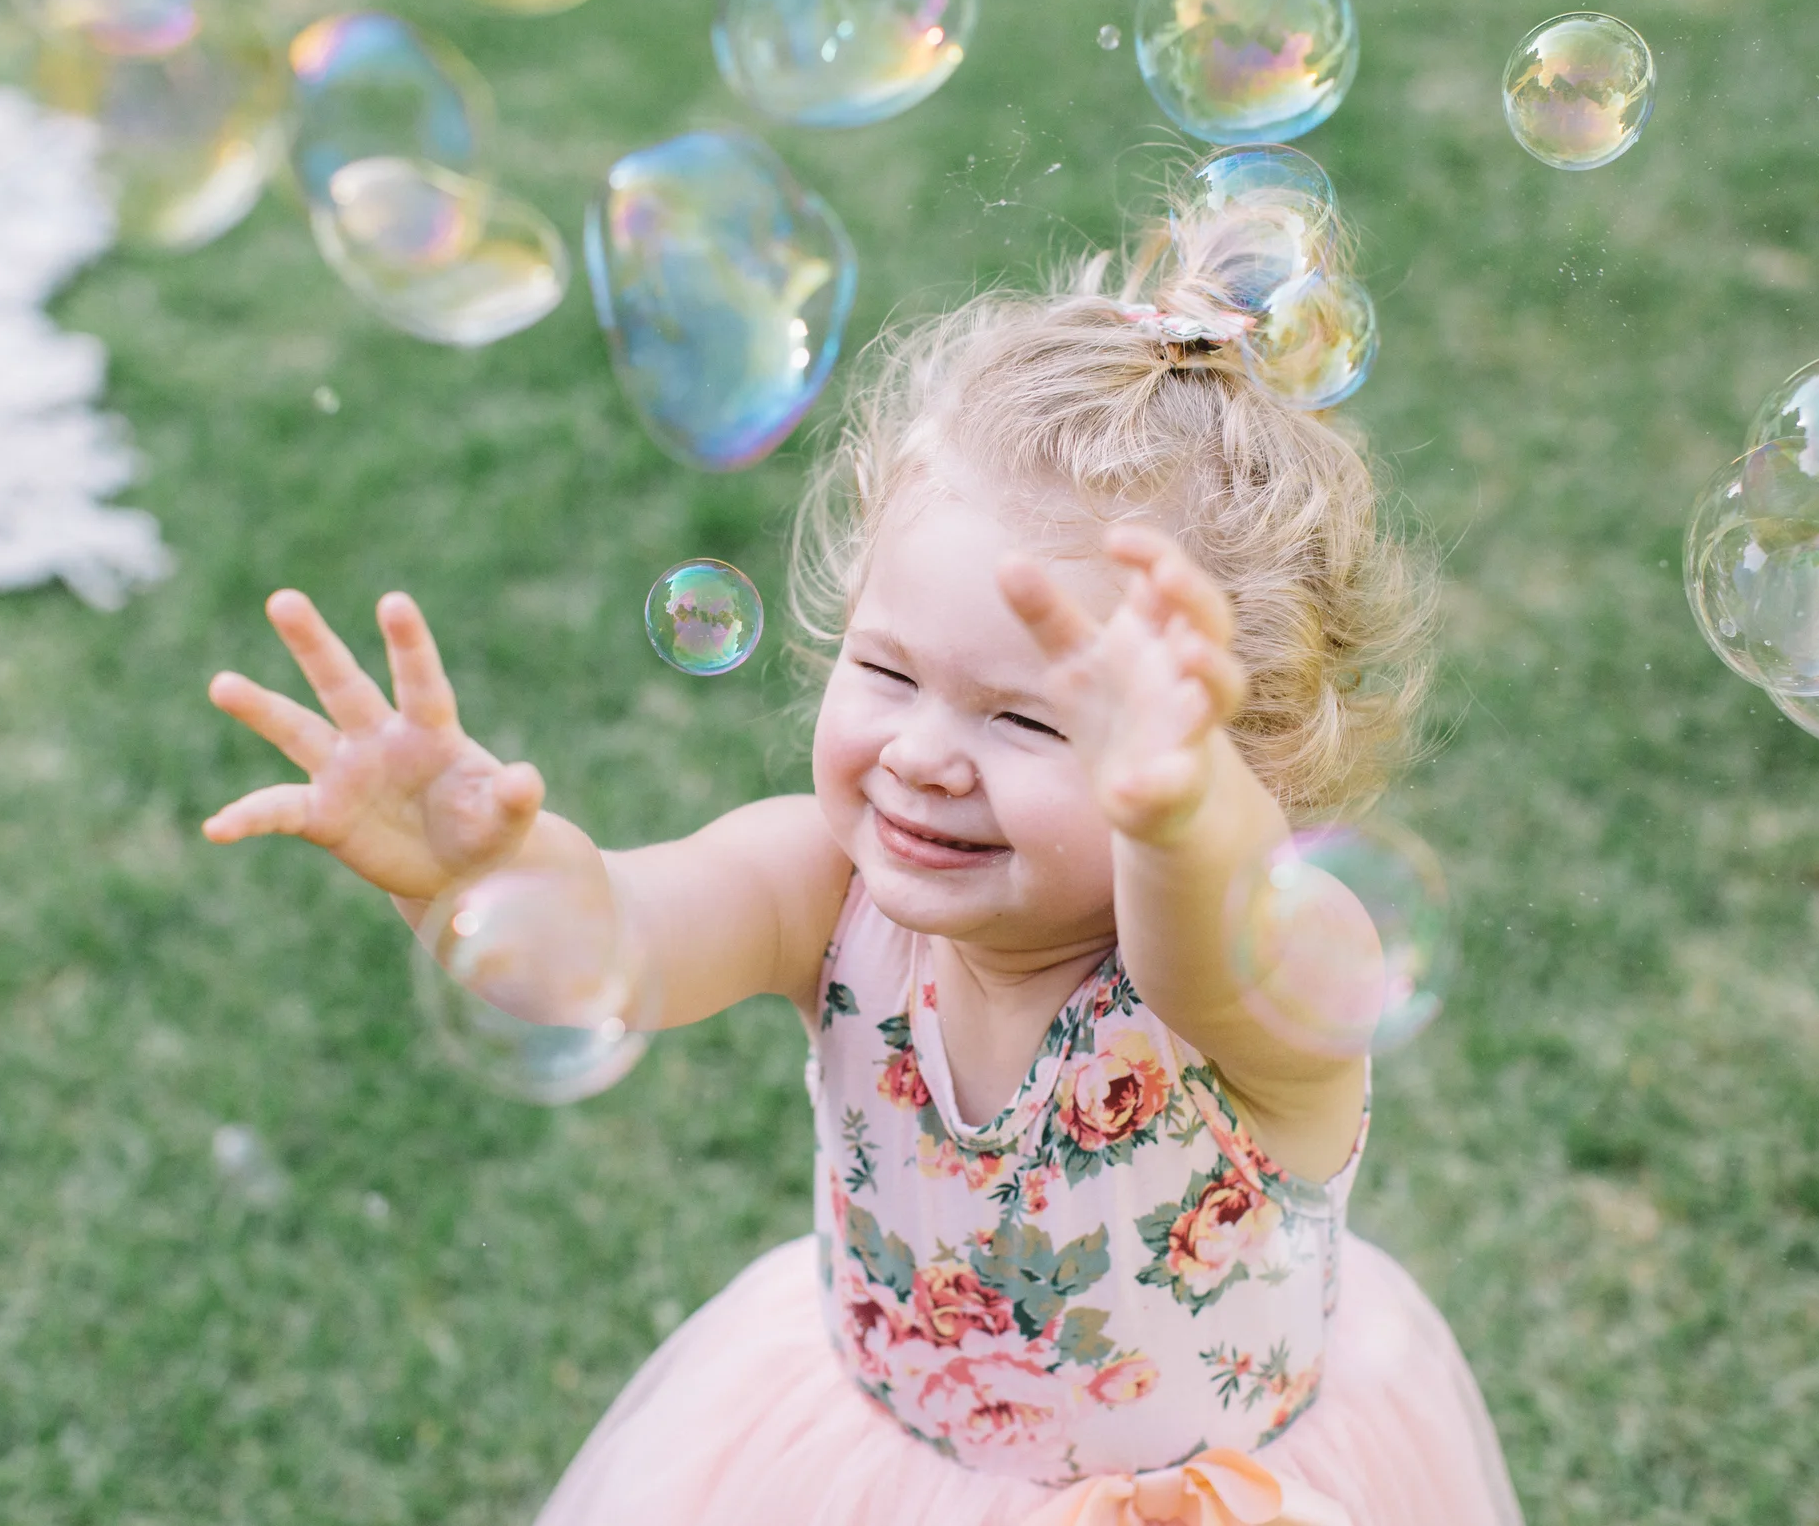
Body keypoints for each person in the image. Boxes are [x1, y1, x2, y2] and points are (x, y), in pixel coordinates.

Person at [203, 174, 1522, 1526]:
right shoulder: (818, 887)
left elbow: (1219, 927)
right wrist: (471, 877)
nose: (924, 752)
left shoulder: (1254, 980)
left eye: (1028, 714)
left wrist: (1179, 806)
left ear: (1230, 751)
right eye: (887, 670)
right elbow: (614, 945)